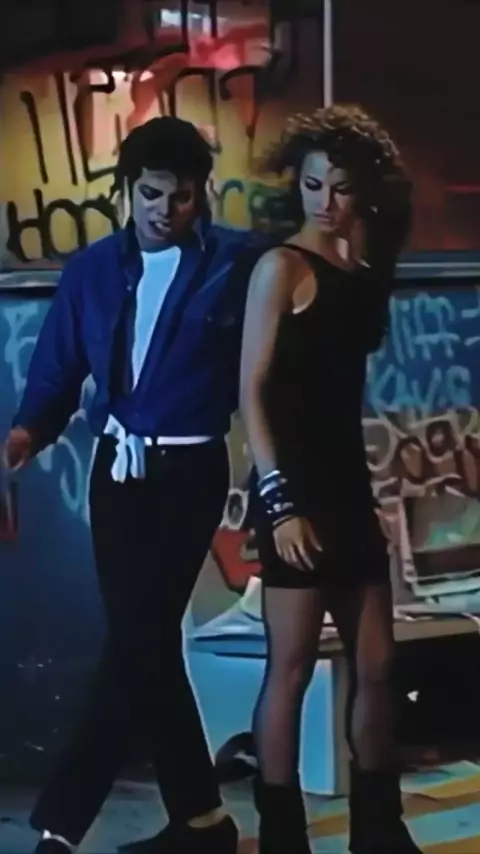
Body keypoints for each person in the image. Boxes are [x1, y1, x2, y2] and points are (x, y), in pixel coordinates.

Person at [4, 116, 263, 854]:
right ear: (127, 190)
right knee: (145, 646)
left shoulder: (236, 264)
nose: (164, 210)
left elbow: (279, 351)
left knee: (133, 647)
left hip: (189, 473)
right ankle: (203, 822)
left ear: (200, 195)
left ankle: (59, 827)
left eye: (181, 197)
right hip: (116, 475)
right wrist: (27, 434)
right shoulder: (93, 271)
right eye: (150, 194)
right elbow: (57, 369)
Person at [239, 104, 420, 854]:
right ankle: (284, 835)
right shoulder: (280, 267)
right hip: (295, 493)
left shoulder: (362, 271)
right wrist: (278, 502)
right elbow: (251, 392)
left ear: (362, 193)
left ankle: (379, 829)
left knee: (377, 664)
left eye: (341, 188)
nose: (324, 201)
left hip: (347, 489)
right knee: (290, 669)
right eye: (313, 185)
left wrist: (368, 233)